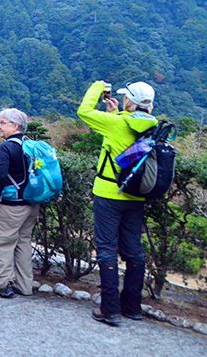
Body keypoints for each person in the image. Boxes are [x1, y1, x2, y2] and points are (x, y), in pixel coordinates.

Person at [78, 80, 157, 326]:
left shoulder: (116, 123)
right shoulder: (153, 126)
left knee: (106, 249)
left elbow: (84, 111)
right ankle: (132, 307)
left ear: (129, 101)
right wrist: (115, 114)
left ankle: (109, 309)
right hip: (136, 196)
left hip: (109, 193)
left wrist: (96, 87)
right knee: (134, 250)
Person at [0, 108, 39, 298]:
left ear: (15, 126)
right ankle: (25, 286)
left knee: (4, 243)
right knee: (23, 242)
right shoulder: (29, 146)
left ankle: (1, 285)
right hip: (31, 203)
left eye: (2, 123)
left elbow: (1, 174)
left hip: (12, 206)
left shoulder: (5, 148)